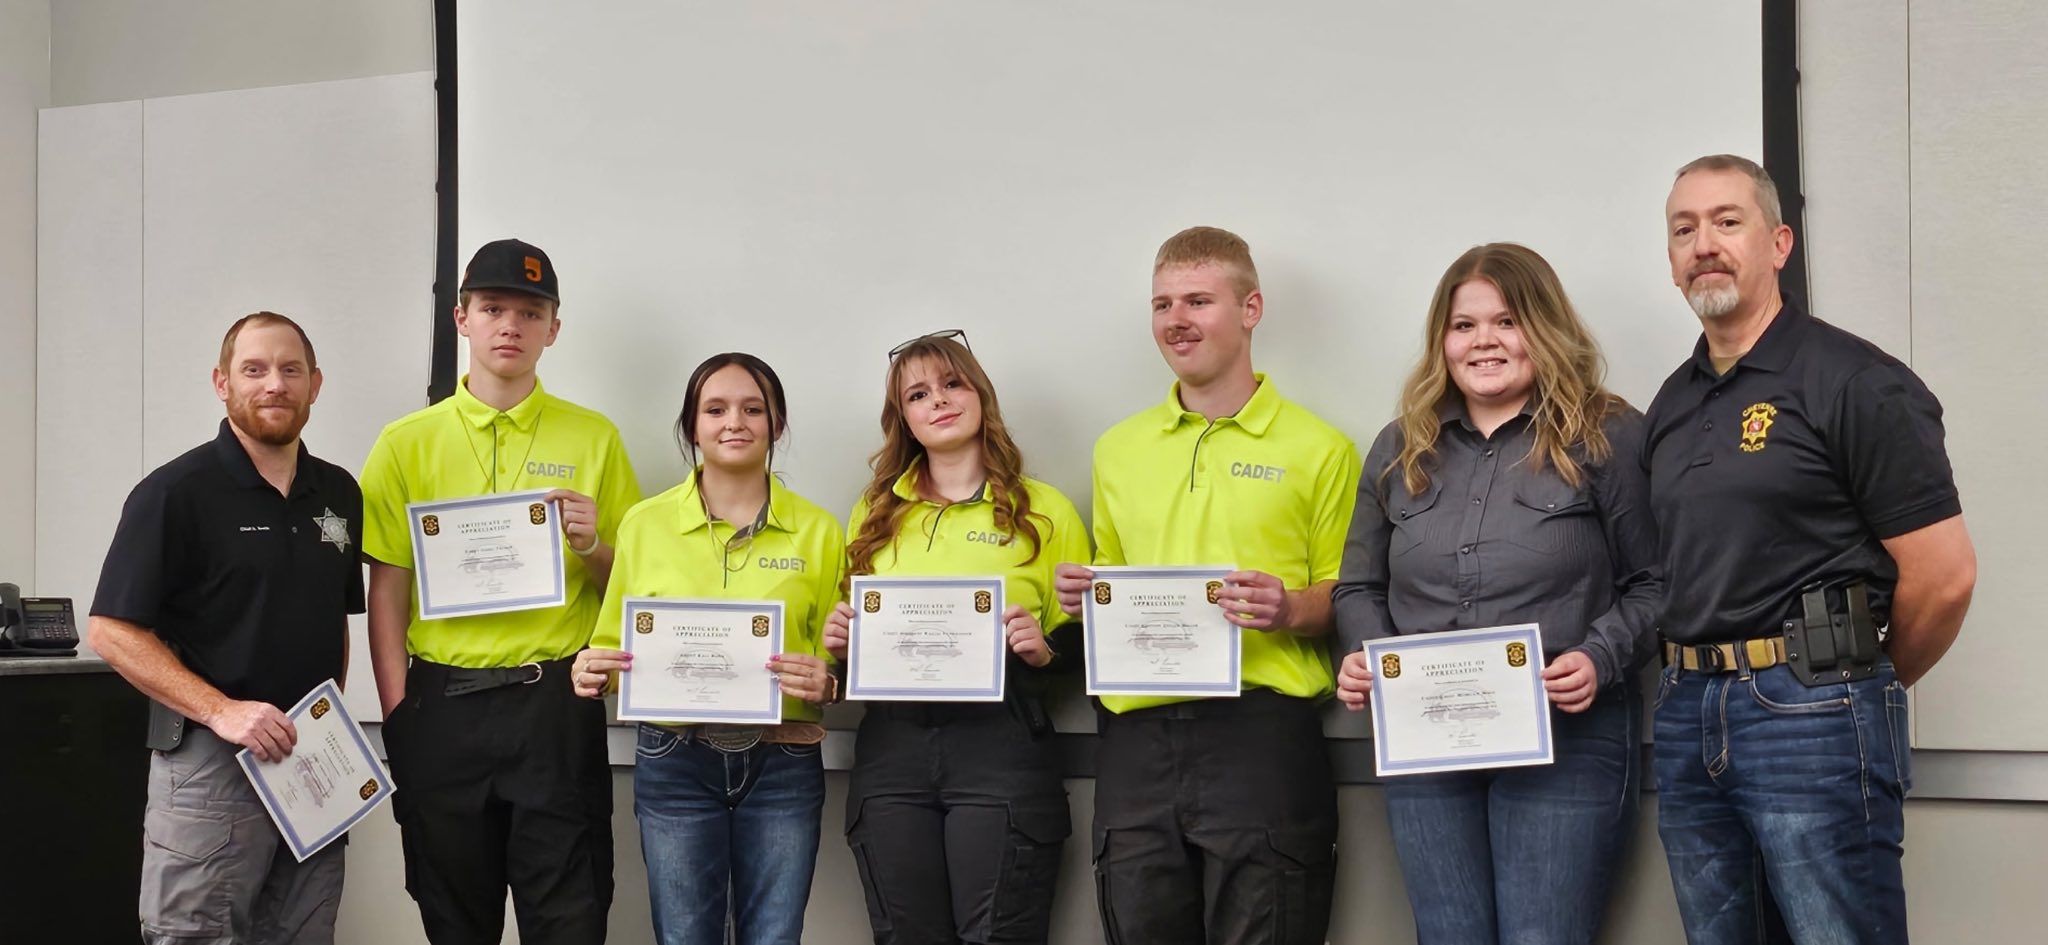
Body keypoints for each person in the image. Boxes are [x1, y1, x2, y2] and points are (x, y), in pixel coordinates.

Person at [1646, 154, 1977, 945]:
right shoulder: (1672, 401)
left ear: (1780, 243)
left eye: (1728, 222)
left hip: (1814, 710)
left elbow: (1945, 577)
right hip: (1690, 713)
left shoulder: (1854, 381)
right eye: (1684, 229)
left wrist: (1859, 686)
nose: (1704, 244)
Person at [1330, 243, 1661, 945]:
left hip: (1566, 739)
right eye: (1463, 325)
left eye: (1506, 321)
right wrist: (1365, 653)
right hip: (1425, 742)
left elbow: (1656, 583)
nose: (1484, 341)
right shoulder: (1400, 447)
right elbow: (1360, 584)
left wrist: (1600, 657)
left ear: (1543, 326)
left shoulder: (1606, 434)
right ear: (1441, 340)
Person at [1053, 226, 1361, 945]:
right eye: (1162, 303)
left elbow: (1345, 596)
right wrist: (1087, 600)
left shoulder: (1322, 449)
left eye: (1198, 299)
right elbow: (1115, 585)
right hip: (1135, 741)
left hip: (1262, 735)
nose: (1176, 319)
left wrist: (1288, 606)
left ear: (1251, 308)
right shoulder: (1117, 450)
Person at [360, 239, 641, 944]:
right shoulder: (404, 443)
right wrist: (399, 712)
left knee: (570, 918)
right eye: (492, 308)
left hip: (553, 706)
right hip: (442, 707)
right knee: (455, 920)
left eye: (530, 310)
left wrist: (590, 544)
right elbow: (388, 588)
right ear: (462, 318)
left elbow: (633, 587)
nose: (510, 325)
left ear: (554, 327)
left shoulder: (595, 437)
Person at [90, 312, 363, 944]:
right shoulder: (176, 492)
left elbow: (333, 619)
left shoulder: (339, 494)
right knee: (196, 935)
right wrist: (222, 711)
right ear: (222, 383)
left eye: (291, 370)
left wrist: (330, 728)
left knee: (302, 934)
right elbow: (110, 630)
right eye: (255, 369)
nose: (275, 384)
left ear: (316, 384)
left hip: (311, 764)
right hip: (212, 765)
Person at [821, 331, 1090, 945]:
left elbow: (1085, 637)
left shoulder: (1045, 510)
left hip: (1002, 749)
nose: (938, 401)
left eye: (951, 384)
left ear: (979, 395)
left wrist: (1043, 647)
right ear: (905, 420)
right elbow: (854, 636)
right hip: (892, 753)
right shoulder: (874, 512)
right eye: (918, 394)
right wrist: (839, 639)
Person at [571, 353, 842, 945]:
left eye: (753, 409)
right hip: (675, 760)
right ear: (692, 426)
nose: (733, 422)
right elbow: (613, 649)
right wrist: (592, 670)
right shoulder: (644, 525)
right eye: (714, 409)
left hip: (784, 761)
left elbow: (837, 659)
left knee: (774, 938)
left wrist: (830, 682)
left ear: (776, 423)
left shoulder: (822, 531)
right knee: (684, 937)